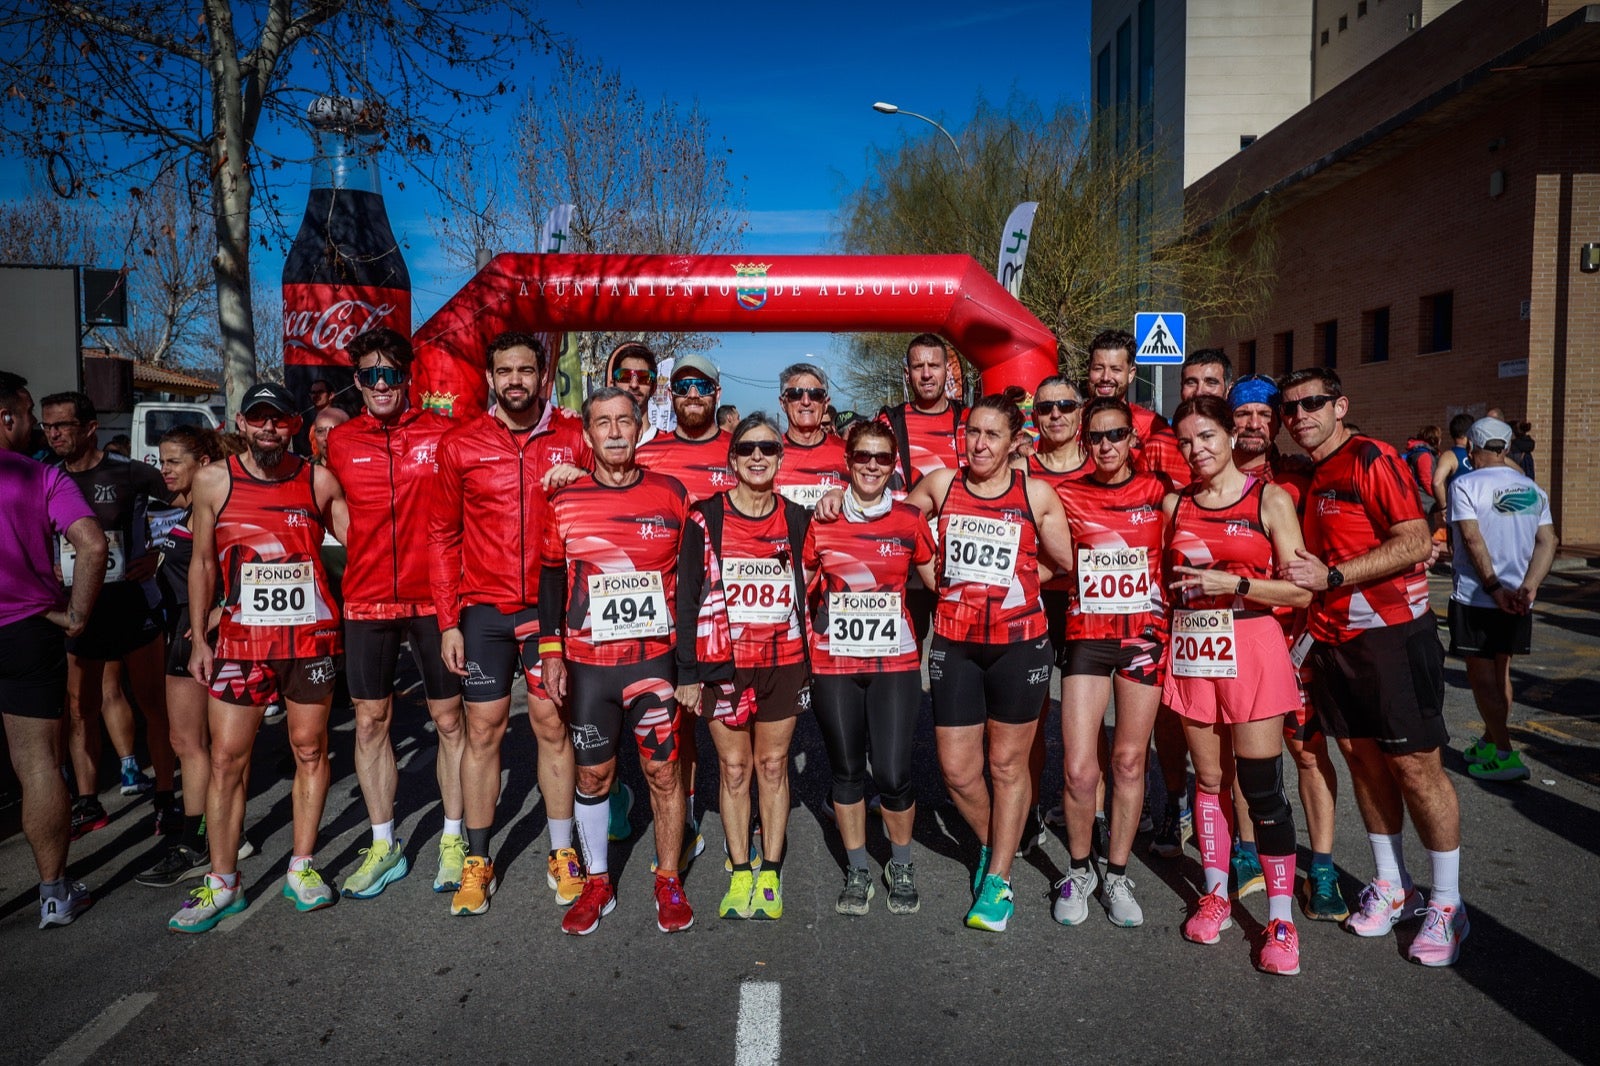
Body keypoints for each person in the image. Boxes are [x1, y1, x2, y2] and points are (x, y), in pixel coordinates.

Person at [1281, 367, 1467, 967]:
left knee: (1416, 767)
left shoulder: (1370, 456)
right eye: (1291, 408)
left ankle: (1447, 902)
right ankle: (1394, 884)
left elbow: (1416, 540)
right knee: (1362, 761)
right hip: (1334, 640)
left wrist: (1334, 576)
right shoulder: (1313, 474)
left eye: (1312, 403)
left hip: (1391, 634)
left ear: (1340, 405)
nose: (1300, 415)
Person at [169, 382, 348, 933]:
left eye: (279, 419)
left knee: (310, 750)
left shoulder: (316, 479)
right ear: (241, 423)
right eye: (258, 418)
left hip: (308, 642)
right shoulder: (213, 480)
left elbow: (363, 541)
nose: (268, 428)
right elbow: (201, 564)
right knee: (226, 759)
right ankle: (223, 883)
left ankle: (302, 867)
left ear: (295, 424)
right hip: (242, 644)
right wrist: (200, 639)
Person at [899, 388, 1075, 932]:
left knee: (1005, 765)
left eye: (991, 434)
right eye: (971, 431)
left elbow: (1067, 565)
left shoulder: (1036, 494)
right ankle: (999, 838)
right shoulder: (941, 485)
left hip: (1019, 644)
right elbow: (891, 530)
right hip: (954, 642)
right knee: (957, 771)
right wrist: (935, 577)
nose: (977, 443)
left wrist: (1025, 581)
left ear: (1014, 442)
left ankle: (997, 878)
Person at [429, 332, 590, 916]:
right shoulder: (460, 444)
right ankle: (477, 858)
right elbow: (443, 536)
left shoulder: (574, 435)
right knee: (483, 730)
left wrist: (585, 479)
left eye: (526, 369)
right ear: (490, 378)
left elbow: (606, 505)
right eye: (505, 371)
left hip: (551, 607)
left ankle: (562, 850)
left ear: (542, 375)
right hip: (484, 611)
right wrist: (448, 621)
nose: (516, 380)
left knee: (551, 724)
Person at [1163, 393, 1313, 975]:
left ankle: (1280, 919)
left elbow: (1301, 590)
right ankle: (1217, 894)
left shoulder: (1270, 499)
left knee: (1261, 787)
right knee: (1208, 780)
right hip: (1195, 646)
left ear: (1229, 435)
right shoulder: (1178, 504)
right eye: (1184, 442)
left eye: (1204, 437)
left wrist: (1237, 583)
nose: (1194, 450)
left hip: (1251, 645)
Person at [539, 388, 695, 935]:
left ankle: (668, 877)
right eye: (601, 422)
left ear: (640, 427)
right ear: (587, 435)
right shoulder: (563, 501)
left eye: (623, 421)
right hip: (589, 667)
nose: (613, 432)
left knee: (662, 772)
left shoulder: (671, 494)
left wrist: (694, 666)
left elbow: (696, 582)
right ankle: (598, 882)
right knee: (593, 773)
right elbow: (552, 577)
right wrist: (551, 650)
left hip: (653, 663)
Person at [324, 327, 466, 899]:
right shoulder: (339, 442)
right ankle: (385, 844)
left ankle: (454, 838)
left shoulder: (444, 433)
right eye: (370, 375)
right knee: (368, 721)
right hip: (366, 599)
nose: (382, 384)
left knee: (450, 720)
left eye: (391, 373)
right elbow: (327, 505)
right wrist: (360, 549)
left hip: (435, 599)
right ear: (357, 382)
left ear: (408, 377)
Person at [676, 414, 812, 920]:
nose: (759, 457)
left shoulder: (798, 518)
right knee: (734, 769)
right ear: (732, 460)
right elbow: (686, 598)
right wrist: (686, 672)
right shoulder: (704, 517)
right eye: (748, 449)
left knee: (772, 766)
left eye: (768, 449)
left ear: (780, 458)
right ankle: (738, 871)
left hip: (783, 660)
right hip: (722, 666)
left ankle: (770, 870)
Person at [804, 420, 936, 915]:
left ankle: (899, 863)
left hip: (894, 661)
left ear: (894, 464)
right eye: (863, 457)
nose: (873, 466)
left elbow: (941, 579)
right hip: (834, 660)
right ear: (849, 461)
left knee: (895, 771)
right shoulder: (821, 520)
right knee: (846, 770)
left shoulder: (908, 520)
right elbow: (800, 581)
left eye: (883, 458)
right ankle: (858, 867)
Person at [1229, 375, 1347, 921]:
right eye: (1243, 413)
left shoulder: (1300, 478)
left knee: (1305, 751)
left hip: (1294, 638)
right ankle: (1247, 853)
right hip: (1231, 640)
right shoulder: (1209, 477)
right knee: (1241, 752)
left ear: (1276, 421)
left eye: (1263, 414)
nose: (1253, 424)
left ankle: (1321, 868)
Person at [1050, 396, 1170, 929]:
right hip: (1087, 638)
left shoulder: (1159, 492)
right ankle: (1079, 869)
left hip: (1145, 638)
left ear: (1132, 440)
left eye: (1115, 435)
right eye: (1095, 437)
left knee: (1128, 763)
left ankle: (1116, 872)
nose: (1105, 446)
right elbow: (1039, 555)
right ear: (1083, 441)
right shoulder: (1065, 494)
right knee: (1079, 770)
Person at [40, 391, 176, 838]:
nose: (53, 433)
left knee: (153, 706)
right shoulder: (47, 478)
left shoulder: (132, 473)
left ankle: (164, 797)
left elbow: (187, 509)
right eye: (47, 426)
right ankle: (87, 801)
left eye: (62, 425)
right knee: (81, 708)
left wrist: (158, 554)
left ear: (90, 427)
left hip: (132, 606)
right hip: (80, 611)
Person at [0, 370, 106, 928]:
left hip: (21, 629)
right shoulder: (41, 478)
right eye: (27, 415)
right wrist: (78, 616)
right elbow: (92, 542)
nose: (36, 429)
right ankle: (52, 894)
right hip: (26, 629)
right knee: (38, 764)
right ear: (6, 417)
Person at [637, 352, 735, 866]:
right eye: (682, 386)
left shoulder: (740, 451)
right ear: (669, 396)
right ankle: (690, 816)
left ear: (716, 394)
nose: (692, 394)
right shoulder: (648, 453)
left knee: (739, 725)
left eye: (701, 386)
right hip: (666, 607)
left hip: (730, 611)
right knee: (677, 722)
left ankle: (742, 819)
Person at [136, 425, 241, 887]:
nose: (165, 469)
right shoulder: (185, 506)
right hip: (180, 627)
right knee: (194, 744)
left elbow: (245, 565)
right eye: (162, 460)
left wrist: (215, 616)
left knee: (202, 745)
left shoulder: (217, 505)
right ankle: (215, 833)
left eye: (173, 461)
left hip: (201, 633)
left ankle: (198, 841)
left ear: (202, 463)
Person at [1448, 416, 1557, 783]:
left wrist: (1494, 588)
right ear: (1507, 449)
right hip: (1517, 599)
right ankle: (1490, 740)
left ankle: (1507, 754)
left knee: (1482, 678)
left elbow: (1472, 539)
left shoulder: (1465, 484)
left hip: (1479, 597)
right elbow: (1549, 542)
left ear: (1471, 449)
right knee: (1501, 671)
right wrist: (1530, 586)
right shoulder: (1531, 489)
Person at [879, 334, 967, 644]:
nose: (926, 374)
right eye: (918, 366)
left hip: (957, 557)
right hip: (908, 561)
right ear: (907, 374)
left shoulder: (967, 420)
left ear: (947, 370)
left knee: (954, 659)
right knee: (903, 657)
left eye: (934, 365)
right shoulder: (890, 422)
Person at [1084, 329, 1188, 488]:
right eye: (1098, 368)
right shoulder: (1070, 420)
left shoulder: (1152, 425)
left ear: (1131, 374)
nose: (1105, 377)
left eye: (1116, 369)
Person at [774, 362, 848, 510]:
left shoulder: (848, 452)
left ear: (825, 403)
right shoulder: (768, 454)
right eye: (795, 394)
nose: (806, 401)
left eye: (815, 394)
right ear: (783, 403)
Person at [606, 342, 660, 447]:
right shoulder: (597, 442)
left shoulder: (667, 445)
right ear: (612, 384)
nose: (634, 385)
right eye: (625, 376)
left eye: (644, 377)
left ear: (654, 388)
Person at [1430, 412, 1474, 525]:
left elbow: (1437, 482)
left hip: (1458, 513)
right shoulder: (1481, 454)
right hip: (1479, 511)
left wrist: (1444, 508)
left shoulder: (1449, 456)